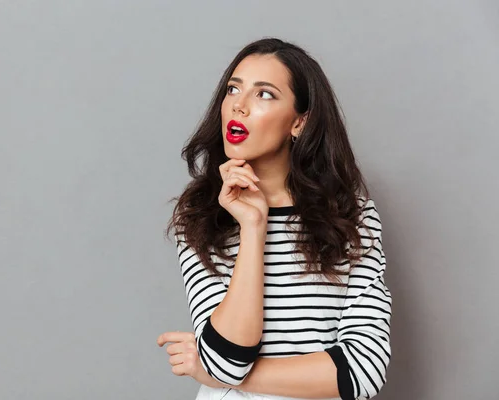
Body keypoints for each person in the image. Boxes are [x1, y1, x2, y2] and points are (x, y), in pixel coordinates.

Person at [157, 37, 392, 400]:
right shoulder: (200, 216)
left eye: (264, 94)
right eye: (233, 89)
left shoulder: (352, 217)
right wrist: (253, 228)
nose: (239, 106)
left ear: (299, 122)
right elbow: (228, 359)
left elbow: (362, 371)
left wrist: (217, 374)